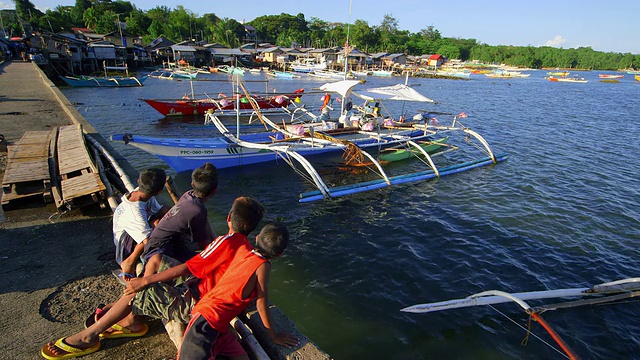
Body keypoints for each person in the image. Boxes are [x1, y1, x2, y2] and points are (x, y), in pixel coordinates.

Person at [40, 197, 299, 359]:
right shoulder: (245, 250)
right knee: (155, 261)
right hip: (204, 296)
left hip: (198, 303)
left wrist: (145, 281)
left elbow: (189, 268)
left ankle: (92, 334)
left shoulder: (228, 242)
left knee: (141, 287)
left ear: (230, 218)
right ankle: (132, 318)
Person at [142, 162, 219, 277]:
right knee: (207, 270)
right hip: (160, 252)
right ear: (214, 191)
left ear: (192, 183)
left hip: (164, 246)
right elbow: (204, 243)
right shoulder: (197, 210)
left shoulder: (189, 195)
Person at [112, 168, 169, 279]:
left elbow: (159, 211)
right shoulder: (134, 211)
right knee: (153, 237)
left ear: (139, 181)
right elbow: (147, 241)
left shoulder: (142, 193)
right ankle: (129, 261)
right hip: (126, 244)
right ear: (159, 191)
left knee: (166, 210)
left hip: (137, 229)